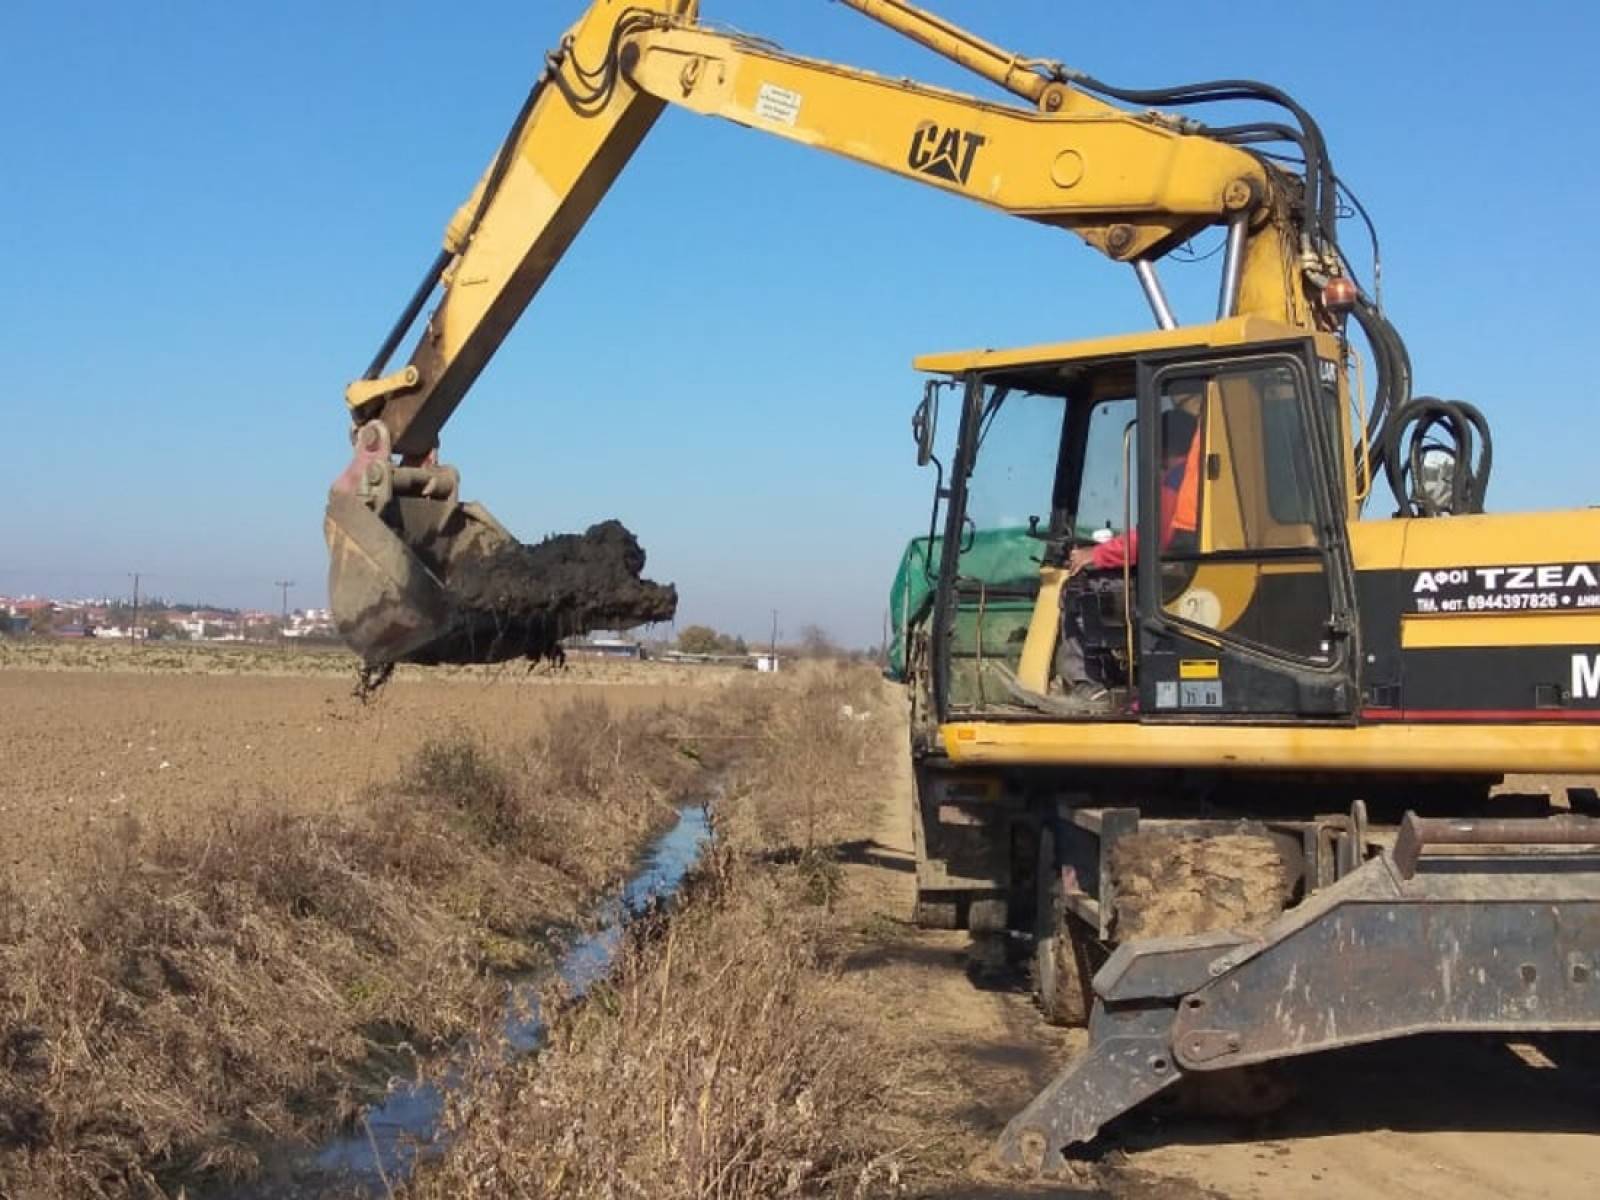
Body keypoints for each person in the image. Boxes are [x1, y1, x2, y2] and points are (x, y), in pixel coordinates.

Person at [1055, 406, 1201, 706]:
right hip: (1185, 571)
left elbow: (1149, 540)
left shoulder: (1178, 481)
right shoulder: (1204, 478)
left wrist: (1094, 554)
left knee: (1078, 589)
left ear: (1161, 446)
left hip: (1174, 578)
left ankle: (1085, 682)